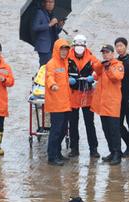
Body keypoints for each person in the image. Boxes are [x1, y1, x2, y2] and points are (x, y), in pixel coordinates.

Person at [90, 44, 125, 166]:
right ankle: (112, 151)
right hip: (103, 104)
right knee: (106, 130)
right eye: (103, 52)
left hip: (112, 104)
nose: (105, 54)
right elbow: (96, 71)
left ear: (112, 53)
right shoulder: (103, 66)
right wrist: (102, 64)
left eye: (107, 52)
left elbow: (116, 78)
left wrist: (108, 67)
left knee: (114, 131)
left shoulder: (118, 65)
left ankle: (117, 154)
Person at [67, 34, 100, 158]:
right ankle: (74, 148)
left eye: (81, 46)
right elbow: (61, 72)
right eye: (77, 45)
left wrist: (94, 77)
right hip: (73, 94)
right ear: (74, 46)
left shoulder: (91, 58)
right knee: (73, 123)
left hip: (87, 94)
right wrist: (67, 79)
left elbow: (99, 70)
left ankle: (93, 149)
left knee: (89, 123)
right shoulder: (67, 58)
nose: (79, 49)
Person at [45, 38, 72, 166]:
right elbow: (49, 77)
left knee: (62, 130)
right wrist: (52, 85)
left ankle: (57, 152)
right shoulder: (52, 63)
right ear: (56, 49)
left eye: (66, 49)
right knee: (56, 131)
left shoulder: (65, 63)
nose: (64, 52)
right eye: (61, 49)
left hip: (65, 103)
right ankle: (52, 156)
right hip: (56, 104)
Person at [32, 0, 65, 66]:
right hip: (44, 47)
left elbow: (55, 32)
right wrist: (49, 24)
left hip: (53, 46)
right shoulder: (39, 13)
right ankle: (38, 76)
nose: (50, 4)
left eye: (52, 2)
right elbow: (35, 27)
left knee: (54, 67)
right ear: (44, 3)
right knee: (44, 67)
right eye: (48, 2)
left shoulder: (53, 14)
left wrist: (60, 25)